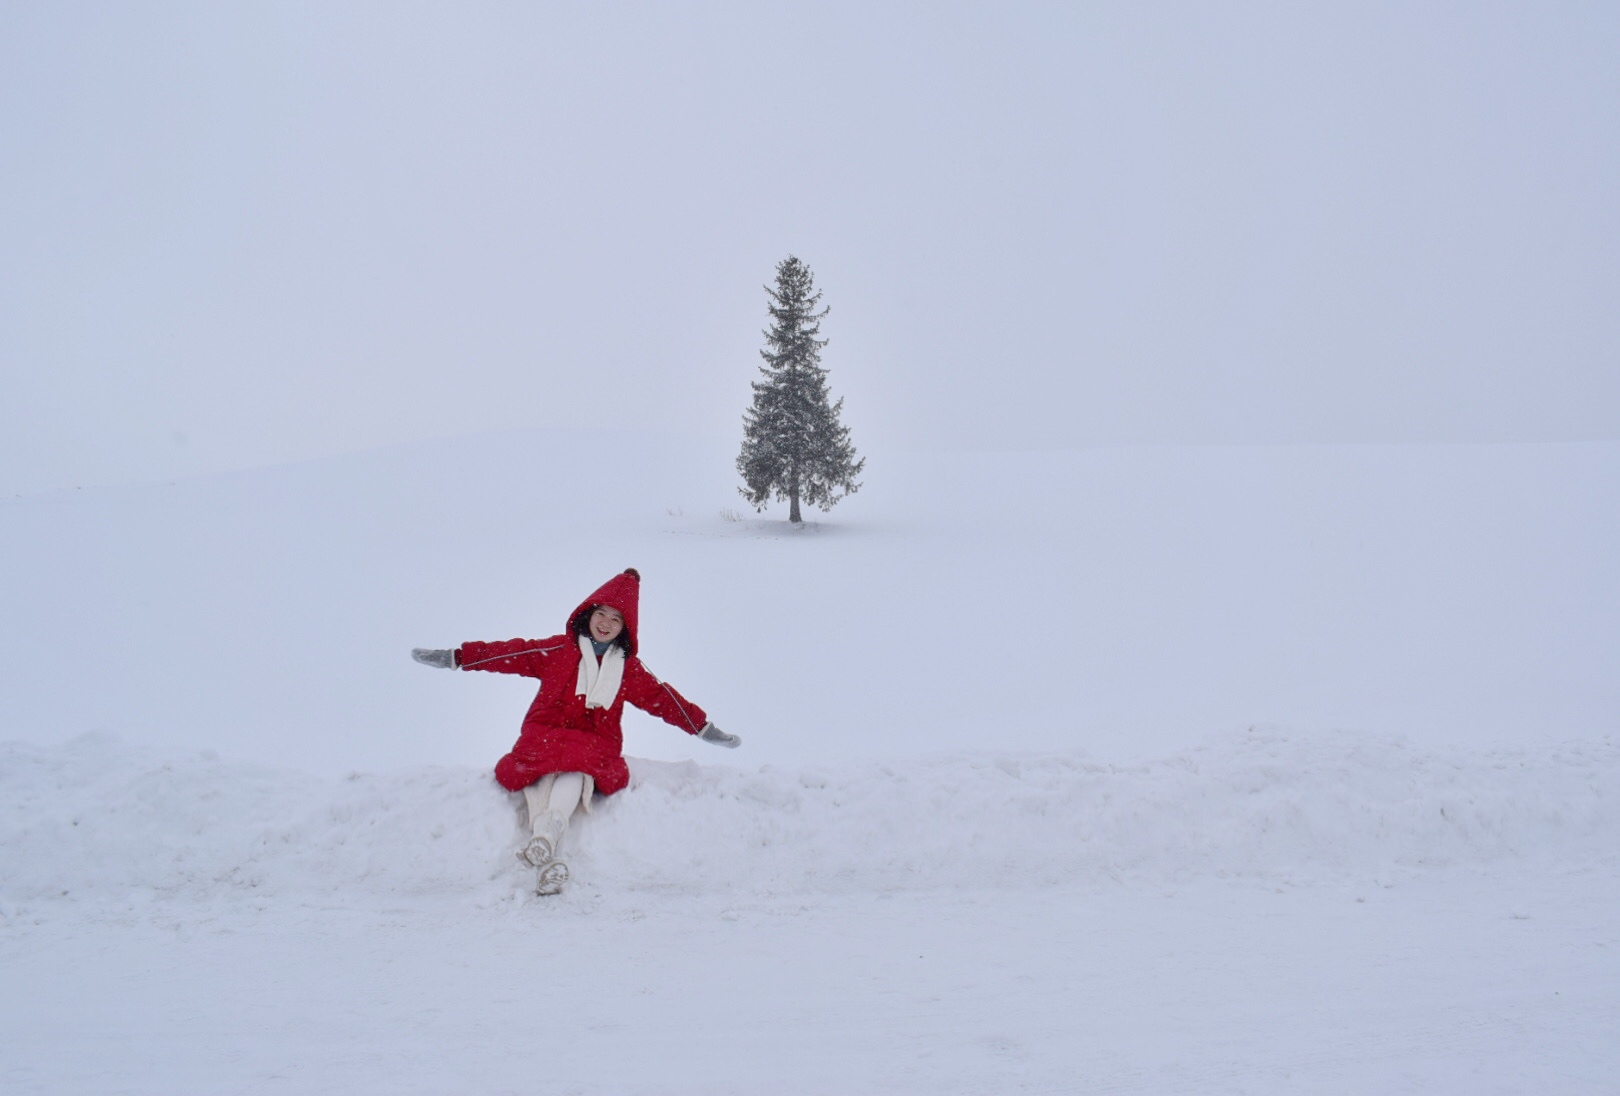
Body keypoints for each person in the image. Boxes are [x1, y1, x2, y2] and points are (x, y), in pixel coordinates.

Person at [411, 568, 739, 894]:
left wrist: (703, 727)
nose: (606, 623)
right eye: (602, 613)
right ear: (588, 614)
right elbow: (507, 654)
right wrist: (457, 657)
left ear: (625, 629)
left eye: (616, 619)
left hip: (594, 742)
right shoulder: (557, 651)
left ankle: (547, 837)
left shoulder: (629, 670)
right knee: (539, 770)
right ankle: (552, 851)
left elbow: (664, 700)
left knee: (576, 770)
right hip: (545, 733)